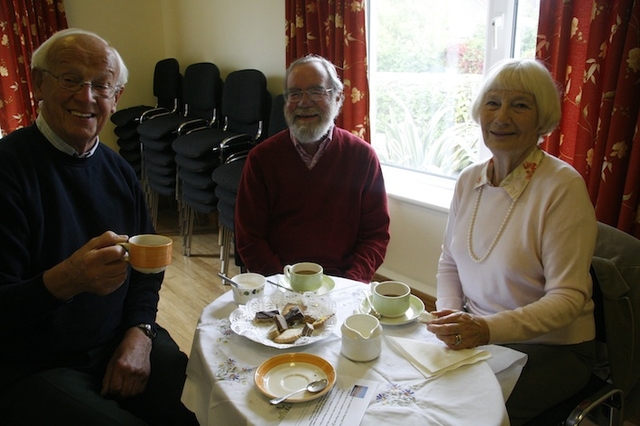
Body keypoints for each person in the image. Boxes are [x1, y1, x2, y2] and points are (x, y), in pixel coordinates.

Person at [0, 28, 197, 425]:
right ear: (39, 83)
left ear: (116, 97)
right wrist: (67, 279)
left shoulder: (118, 170)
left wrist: (139, 334)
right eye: (70, 79)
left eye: (101, 86)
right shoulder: (9, 171)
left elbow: (147, 271)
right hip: (34, 364)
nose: (86, 97)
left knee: (199, 403)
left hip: (116, 338)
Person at [426, 59, 597, 425]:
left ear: (542, 120)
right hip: (482, 334)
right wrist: (449, 314)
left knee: (457, 414)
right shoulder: (469, 179)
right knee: (414, 390)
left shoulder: (562, 188)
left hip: (553, 348)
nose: (501, 116)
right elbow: (449, 262)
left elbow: (568, 299)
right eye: (492, 103)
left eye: (520, 105)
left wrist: (485, 329)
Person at [235, 55, 390, 283]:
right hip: (279, 283)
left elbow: (375, 235)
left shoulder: (362, 157)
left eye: (316, 91)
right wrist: (281, 283)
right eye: (294, 94)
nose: (304, 102)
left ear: (338, 98)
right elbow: (249, 237)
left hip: (344, 283)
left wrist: (350, 285)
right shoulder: (262, 159)